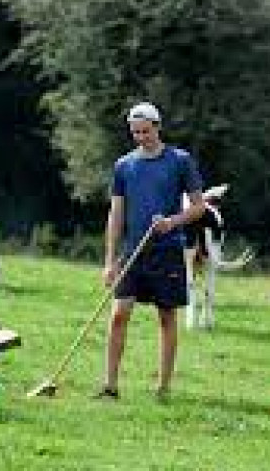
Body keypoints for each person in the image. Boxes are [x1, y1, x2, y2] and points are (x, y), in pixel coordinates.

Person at [99, 102, 205, 401]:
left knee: (166, 317)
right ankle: (110, 385)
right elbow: (116, 214)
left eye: (146, 131)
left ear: (158, 127)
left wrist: (173, 222)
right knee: (119, 315)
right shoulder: (124, 165)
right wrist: (109, 261)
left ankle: (163, 387)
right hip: (133, 252)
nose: (141, 137)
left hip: (167, 251)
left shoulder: (180, 161)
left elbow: (198, 207)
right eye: (135, 132)